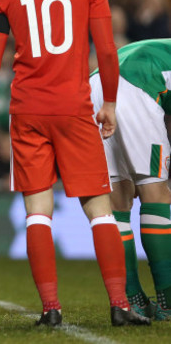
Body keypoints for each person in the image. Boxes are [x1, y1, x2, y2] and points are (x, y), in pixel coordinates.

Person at [0, 0, 149, 327]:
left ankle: (50, 309)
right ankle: (119, 305)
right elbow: (106, 49)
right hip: (74, 107)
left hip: (28, 110)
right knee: (100, 211)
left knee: (38, 212)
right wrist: (108, 101)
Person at [89, 39, 171, 321]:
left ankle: (132, 299)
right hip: (137, 86)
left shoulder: (162, 46)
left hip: (97, 86)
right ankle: (167, 300)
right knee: (156, 193)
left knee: (117, 201)